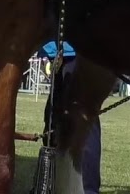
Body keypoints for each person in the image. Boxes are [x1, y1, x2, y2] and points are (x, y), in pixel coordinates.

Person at [41, 40, 101, 194]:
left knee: (82, 120)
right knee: (53, 120)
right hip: (59, 52)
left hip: (78, 50)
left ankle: (87, 189)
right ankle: (55, 185)